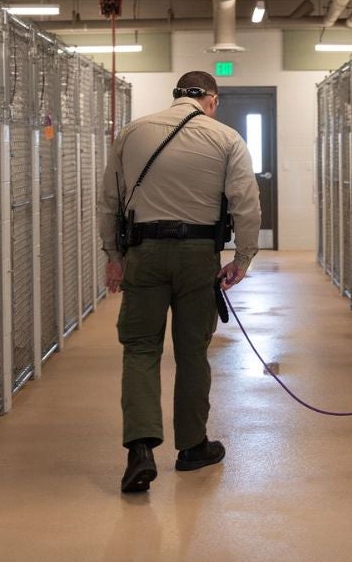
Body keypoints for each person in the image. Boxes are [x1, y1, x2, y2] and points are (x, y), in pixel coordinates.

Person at [98, 70, 261, 494]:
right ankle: (192, 447)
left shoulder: (132, 134)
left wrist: (114, 258)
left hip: (143, 253)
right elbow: (246, 203)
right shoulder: (226, 139)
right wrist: (242, 259)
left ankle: (139, 451)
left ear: (176, 96)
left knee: (140, 348)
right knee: (192, 351)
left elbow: (109, 203)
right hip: (197, 256)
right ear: (213, 99)